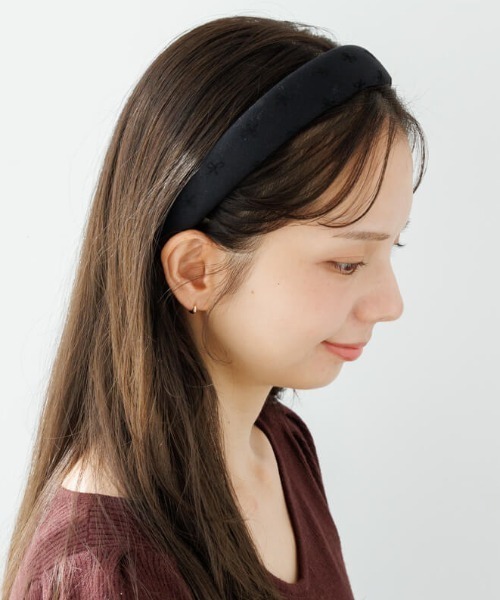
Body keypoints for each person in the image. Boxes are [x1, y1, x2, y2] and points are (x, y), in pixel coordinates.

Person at [3, 14, 427, 600]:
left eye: (392, 247)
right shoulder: (107, 573)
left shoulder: (280, 446)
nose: (391, 304)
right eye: (347, 262)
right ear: (196, 272)